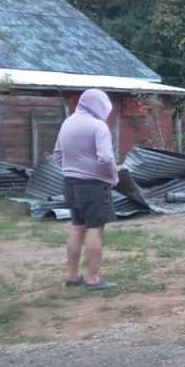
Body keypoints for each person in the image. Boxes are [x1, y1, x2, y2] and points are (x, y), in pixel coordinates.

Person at [53, 89, 119, 292]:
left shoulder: (68, 123)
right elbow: (105, 158)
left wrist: (73, 168)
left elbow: (57, 155)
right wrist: (111, 176)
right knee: (95, 229)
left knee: (76, 228)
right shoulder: (98, 126)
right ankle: (94, 279)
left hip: (69, 183)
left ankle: (73, 276)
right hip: (93, 185)